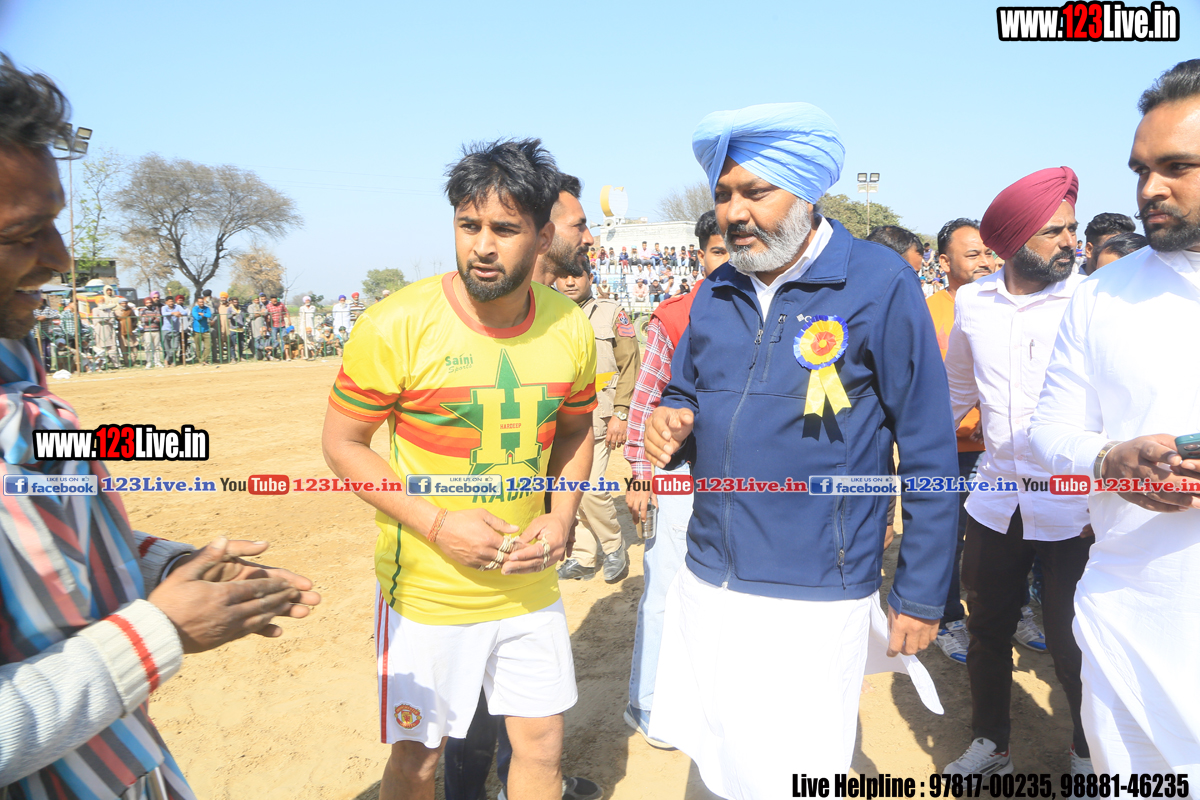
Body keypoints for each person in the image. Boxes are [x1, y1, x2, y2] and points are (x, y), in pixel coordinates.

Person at [0, 51, 321, 799]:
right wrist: (159, 632)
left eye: (55, 223)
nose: (60, 258)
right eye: (23, 234)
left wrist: (167, 567)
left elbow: (45, 542)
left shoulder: (15, 357)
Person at [644, 103, 957, 794]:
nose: (734, 212)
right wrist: (673, 416)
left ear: (807, 193)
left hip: (816, 585)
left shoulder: (879, 283)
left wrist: (922, 589)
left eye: (756, 192)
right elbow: (687, 389)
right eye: (724, 194)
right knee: (717, 757)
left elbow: (929, 446)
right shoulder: (717, 289)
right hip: (710, 573)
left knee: (796, 770)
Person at [322, 139, 598, 800]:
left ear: (542, 238)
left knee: (542, 749)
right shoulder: (395, 324)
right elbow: (343, 444)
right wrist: (439, 525)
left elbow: (576, 429)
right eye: (468, 225)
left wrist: (562, 516)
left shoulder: (569, 326)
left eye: (504, 229)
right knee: (418, 763)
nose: (482, 246)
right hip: (428, 594)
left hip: (529, 587)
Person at [1029, 59, 1200, 773]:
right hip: (1130, 619)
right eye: (1141, 170)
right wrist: (1107, 459)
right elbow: (1048, 429)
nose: (1149, 188)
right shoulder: (1102, 295)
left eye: (1177, 167)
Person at [942, 167, 1093, 776]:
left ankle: (1088, 753)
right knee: (987, 628)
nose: (1069, 242)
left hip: (1075, 506)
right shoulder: (972, 302)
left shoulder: (1092, 302)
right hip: (996, 500)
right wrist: (909, 448)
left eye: (1072, 228)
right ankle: (992, 745)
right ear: (1011, 241)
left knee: (1073, 640)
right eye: (1053, 231)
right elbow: (956, 389)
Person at [622, 210, 727, 749]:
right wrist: (642, 475)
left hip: (746, 477)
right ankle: (649, 703)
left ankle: (715, 699)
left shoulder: (782, 310)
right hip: (681, 471)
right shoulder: (674, 316)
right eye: (717, 250)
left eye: (735, 249)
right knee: (666, 585)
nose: (727, 260)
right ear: (700, 255)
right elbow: (646, 400)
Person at [923, 218, 995, 664]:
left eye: (989, 252)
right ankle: (948, 618)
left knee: (1000, 538)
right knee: (947, 539)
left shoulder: (1007, 305)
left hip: (1000, 452)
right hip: (948, 453)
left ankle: (1011, 612)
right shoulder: (926, 312)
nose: (985, 261)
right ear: (944, 262)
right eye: (973, 254)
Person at [554, 265, 639, 583]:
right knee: (569, 487)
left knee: (589, 487)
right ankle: (584, 557)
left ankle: (614, 547)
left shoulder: (611, 313)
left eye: (576, 275)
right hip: (561, 420)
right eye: (563, 276)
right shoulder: (547, 314)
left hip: (599, 417)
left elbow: (630, 364)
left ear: (590, 278)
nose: (569, 281)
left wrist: (622, 412)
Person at [139, 295, 163, 368]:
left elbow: (159, 319)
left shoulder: (156, 309)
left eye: (150, 302)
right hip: (147, 331)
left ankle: (157, 362)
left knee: (157, 347)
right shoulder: (142, 310)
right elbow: (143, 320)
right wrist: (153, 317)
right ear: (145, 303)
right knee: (148, 347)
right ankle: (149, 362)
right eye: (147, 303)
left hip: (156, 330)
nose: (149, 304)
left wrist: (150, 318)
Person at [189, 295, 212, 364]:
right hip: (197, 330)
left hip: (205, 330)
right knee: (198, 347)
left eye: (202, 302)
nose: (201, 303)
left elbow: (209, 315)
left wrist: (202, 314)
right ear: (197, 302)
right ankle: (200, 360)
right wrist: (203, 316)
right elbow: (196, 317)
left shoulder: (207, 308)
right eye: (200, 302)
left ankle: (203, 359)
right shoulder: (194, 309)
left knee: (208, 346)